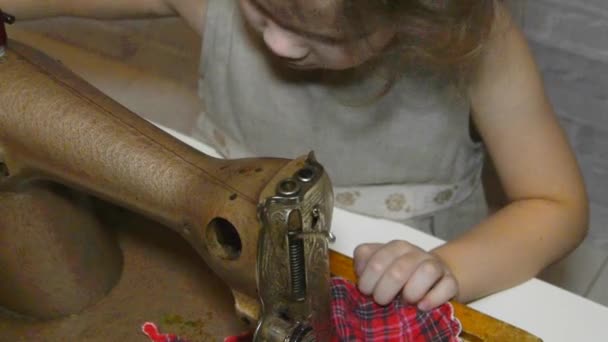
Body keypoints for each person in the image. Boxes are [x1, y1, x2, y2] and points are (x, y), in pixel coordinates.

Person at [0, 0, 588, 312]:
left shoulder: (477, 48)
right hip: (236, 253)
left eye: (325, 35)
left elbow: (557, 205)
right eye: (261, 6)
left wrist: (454, 269)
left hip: (410, 261)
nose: (277, 43)